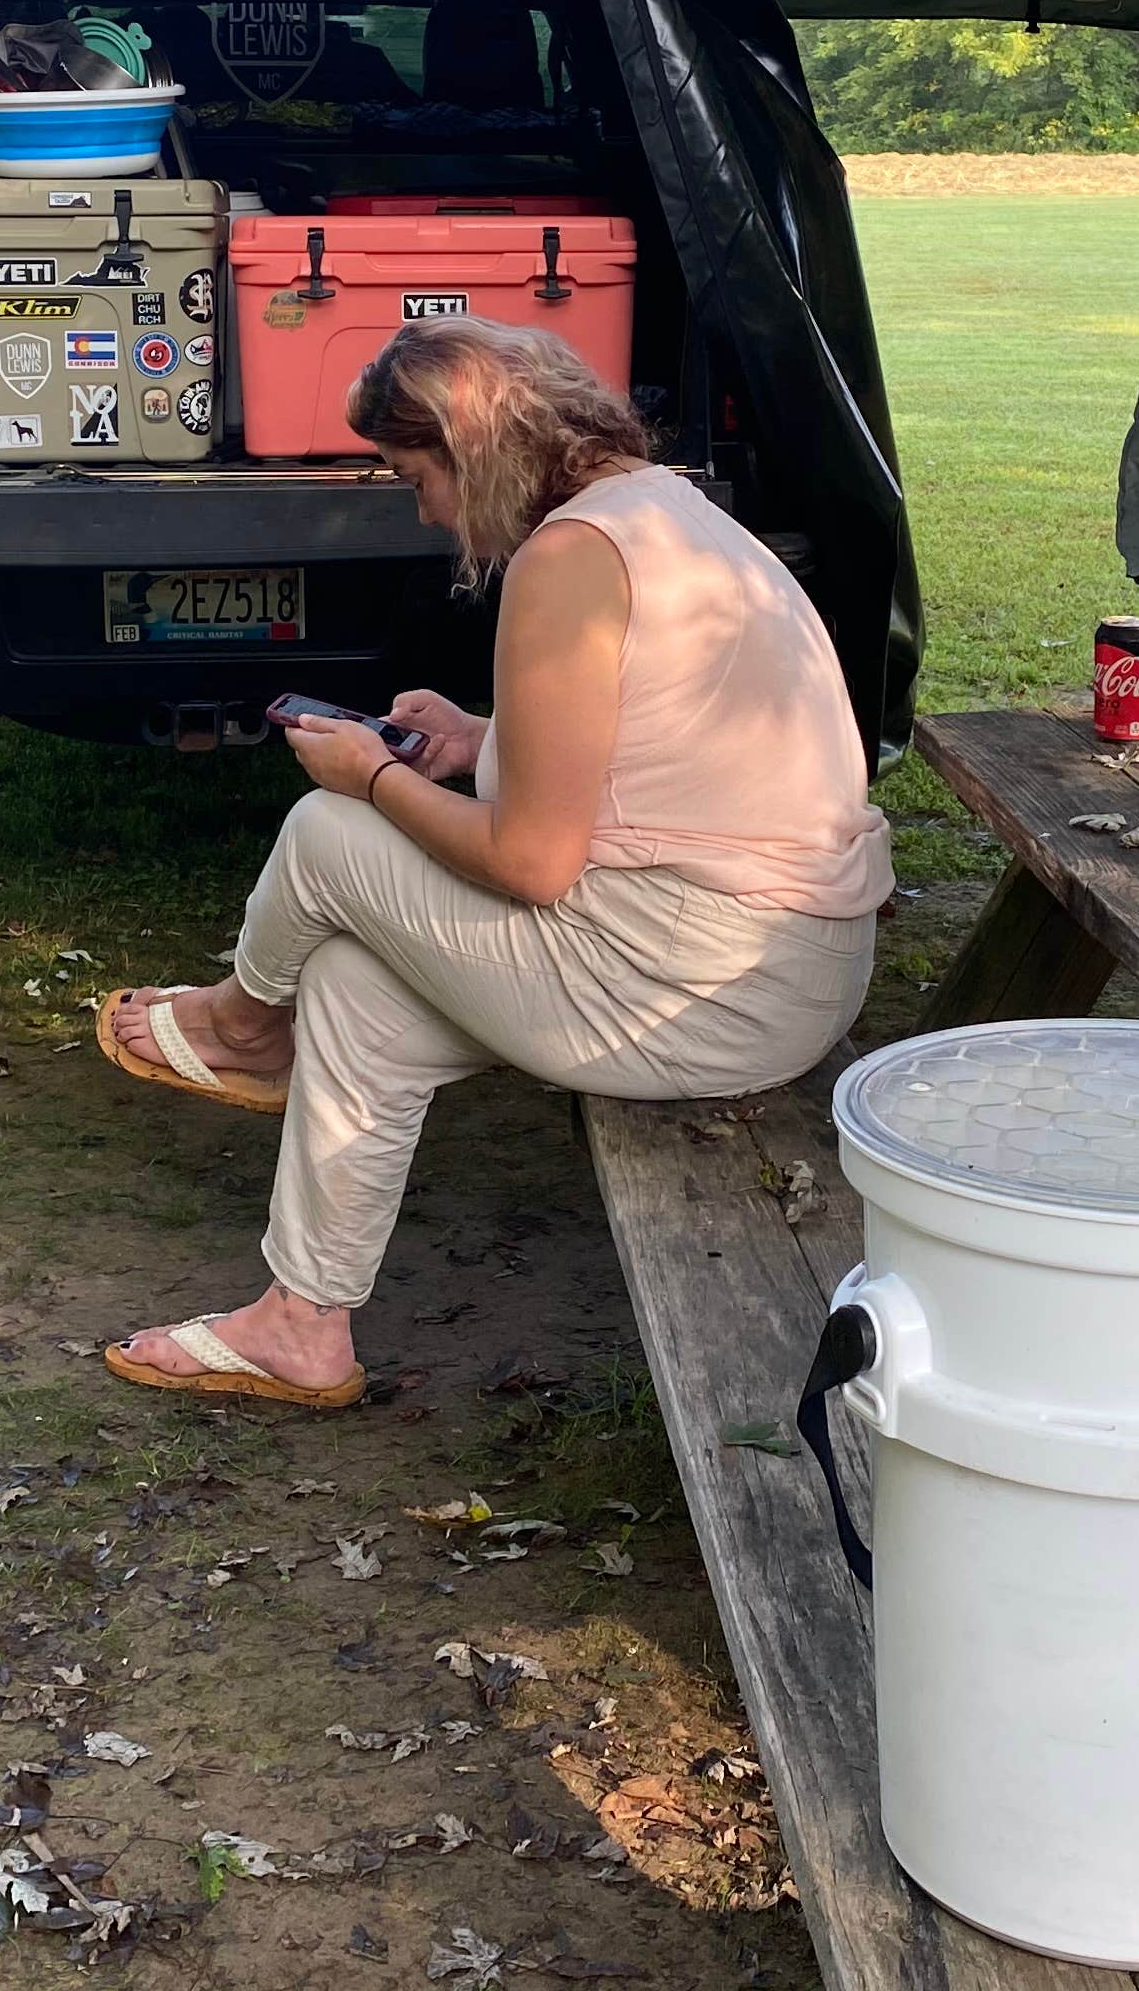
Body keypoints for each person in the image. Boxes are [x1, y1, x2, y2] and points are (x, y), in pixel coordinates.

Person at [93, 315, 891, 1406]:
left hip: (700, 991)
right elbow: (647, 759)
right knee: (355, 981)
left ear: (473, 453)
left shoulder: (568, 558)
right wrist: (476, 741)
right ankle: (300, 1323)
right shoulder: (666, 511)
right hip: (778, 967)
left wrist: (377, 777)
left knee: (332, 833)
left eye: (412, 472)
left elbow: (531, 862)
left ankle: (240, 1024)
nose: (418, 505)